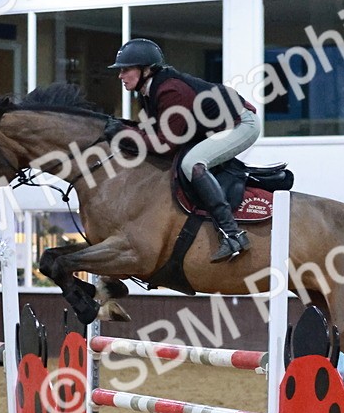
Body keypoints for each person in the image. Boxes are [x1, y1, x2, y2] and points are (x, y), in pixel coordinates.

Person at [110, 38, 260, 262]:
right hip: (210, 128)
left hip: (242, 124)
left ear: (146, 70)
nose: (120, 76)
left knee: (193, 163)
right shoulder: (149, 91)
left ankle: (232, 234)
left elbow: (165, 144)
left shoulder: (171, 90)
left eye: (126, 70)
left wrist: (124, 133)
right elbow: (153, 132)